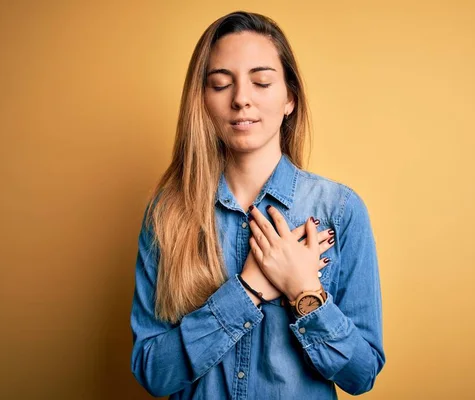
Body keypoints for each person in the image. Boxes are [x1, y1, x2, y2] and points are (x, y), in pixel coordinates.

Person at [130, 10, 385, 399]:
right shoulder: (167, 215)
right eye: (220, 84)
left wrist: (304, 294)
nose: (241, 100)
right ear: (202, 100)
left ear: (289, 100)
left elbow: (361, 375)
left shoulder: (340, 210)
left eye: (262, 82)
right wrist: (247, 290)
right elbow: (153, 372)